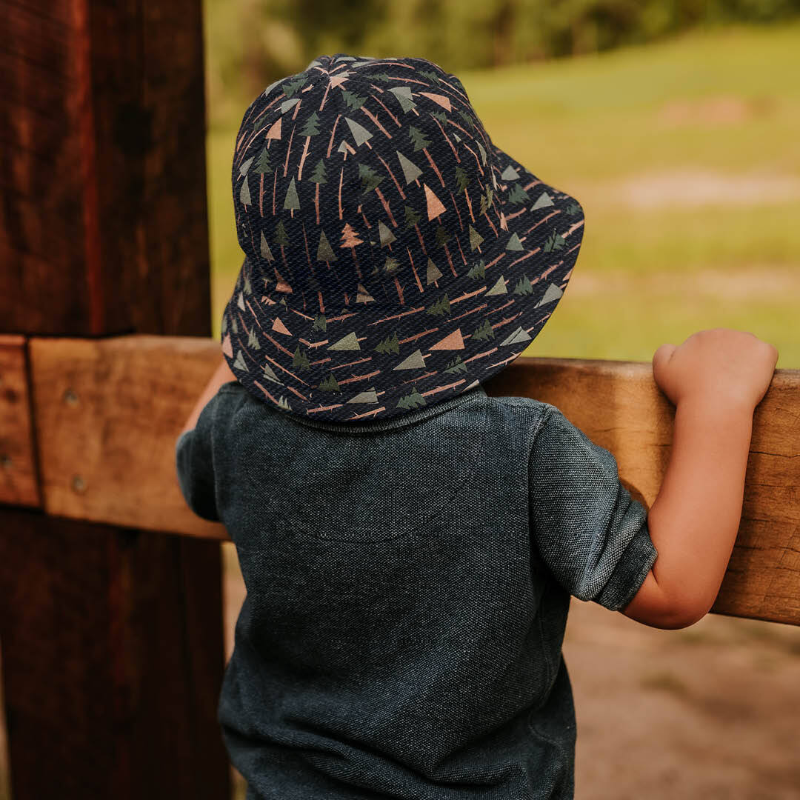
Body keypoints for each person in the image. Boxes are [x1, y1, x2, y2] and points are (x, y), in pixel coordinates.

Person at [175, 53, 778, 800]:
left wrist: (252, 355)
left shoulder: (239, 433)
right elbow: (671, 586)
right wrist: (715, 402)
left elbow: (192, 465)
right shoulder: (515, 450)